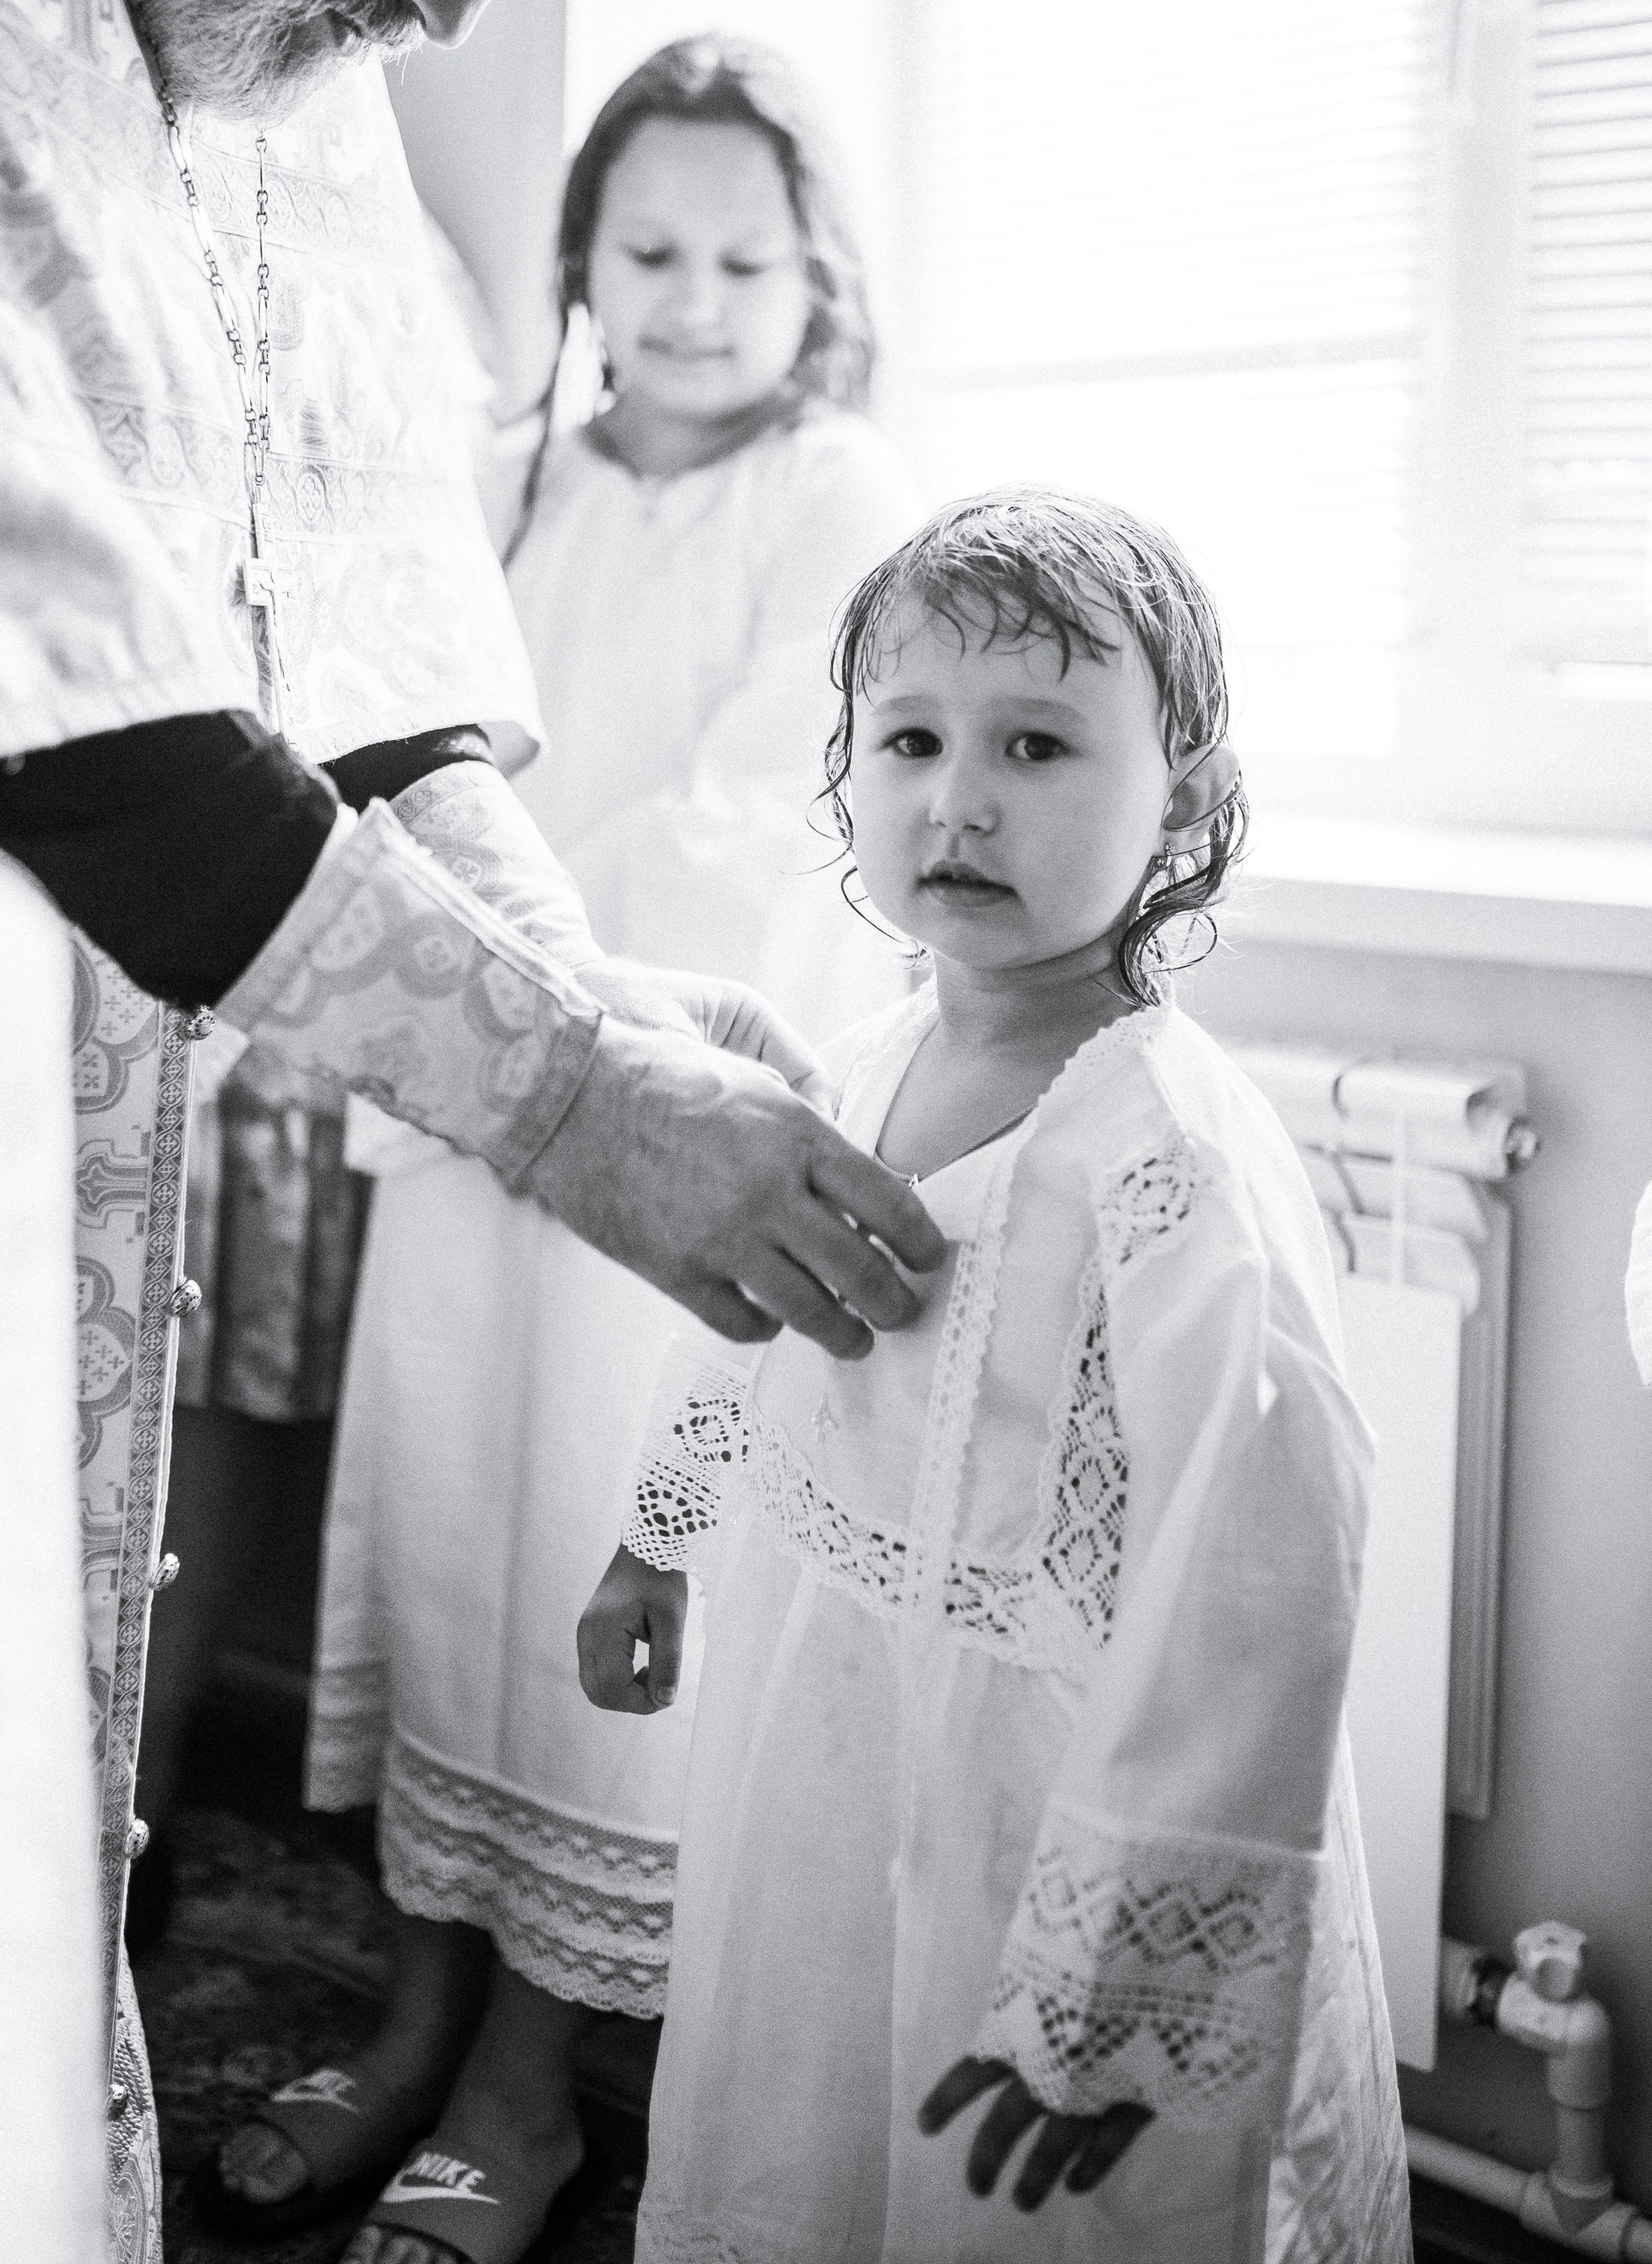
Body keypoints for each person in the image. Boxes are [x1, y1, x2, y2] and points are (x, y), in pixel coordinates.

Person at [0, 0, 941, 2250]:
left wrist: (612, 1004)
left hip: (47, 1162)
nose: (458, 7)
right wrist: (567, 1099)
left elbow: (378, 670)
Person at [209, 37, 920, 2250]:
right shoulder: (512, 477)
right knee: (449, 1556)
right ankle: (416, 2008)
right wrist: (461, 1002)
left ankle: (526, 2077)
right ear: (588, 266)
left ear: (819, 277)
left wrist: (539, 997)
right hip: (464, 1109)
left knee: (611, 1576)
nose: (697, 295)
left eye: (745, 253)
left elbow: (760, 817)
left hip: (663, 1100)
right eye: (652, 249)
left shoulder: (837, 490)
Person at [581, 489, 1412, 2263]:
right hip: (821, 1745)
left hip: (1052, 1805)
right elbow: (750, 1318)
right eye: (910, 739)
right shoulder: (857, 1061)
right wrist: (657, 1534)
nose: (957, 797)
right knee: (810, 2131)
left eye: (1035, 744)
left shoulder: (1168, 1155)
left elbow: (1253, 1591)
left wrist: (1111, 1983)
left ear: (1175, 797)